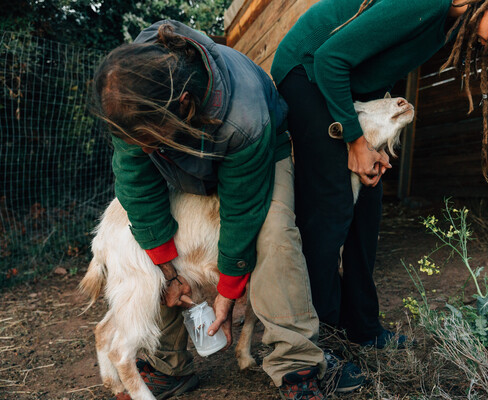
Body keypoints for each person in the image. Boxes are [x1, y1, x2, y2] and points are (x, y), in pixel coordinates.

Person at [92, 20, 364, 400]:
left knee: (273, 235)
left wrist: (228, 290)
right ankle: (169, 367)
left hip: (258, 153)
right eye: (134, 139)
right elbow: (138, 189)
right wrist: (169, 272)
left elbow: (241, 210)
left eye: (146, 139)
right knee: (160, 236)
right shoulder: (131, 92)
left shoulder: (245, 114)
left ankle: (298, 364)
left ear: (184, 104)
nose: (141, 147)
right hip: (179, 153)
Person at [271, 0, 488, 348]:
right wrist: (354, 140)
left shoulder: (446, 24)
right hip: (306, 72)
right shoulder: (424, 2)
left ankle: (363, 327)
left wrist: (374, 145)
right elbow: (330, 60)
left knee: (369, 204)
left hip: (344, 84)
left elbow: (375, 71)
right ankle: (317, 338)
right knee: (331, 206)